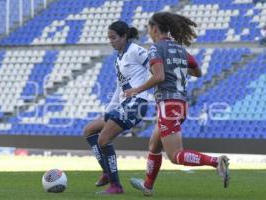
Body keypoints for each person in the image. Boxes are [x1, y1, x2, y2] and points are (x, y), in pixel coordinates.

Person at [124, 12, 230, 196]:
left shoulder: (156, 48)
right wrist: (176, 68)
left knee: (175, 155)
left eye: (149, 28)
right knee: (154, 146)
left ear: (155, 29)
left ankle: (215, 161)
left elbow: (159, 77)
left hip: (168, 104)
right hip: (180, 104)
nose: (149, 32)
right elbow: (198, 72)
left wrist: (136, 90)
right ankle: (148, 186)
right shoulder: (181, 50)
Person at [83, 20, 149, 195]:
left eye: (113, 37)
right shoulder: (118, 58)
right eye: (109, 38)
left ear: (124, 36)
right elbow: (120, 87)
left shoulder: (136, 51)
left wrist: (148, 92)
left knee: (103, 139)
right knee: (89, 130)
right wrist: (109, 110)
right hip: (124, 104)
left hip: (137, 103)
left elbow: (157, 71)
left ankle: (116, 186)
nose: (110, 41)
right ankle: (106, 171)